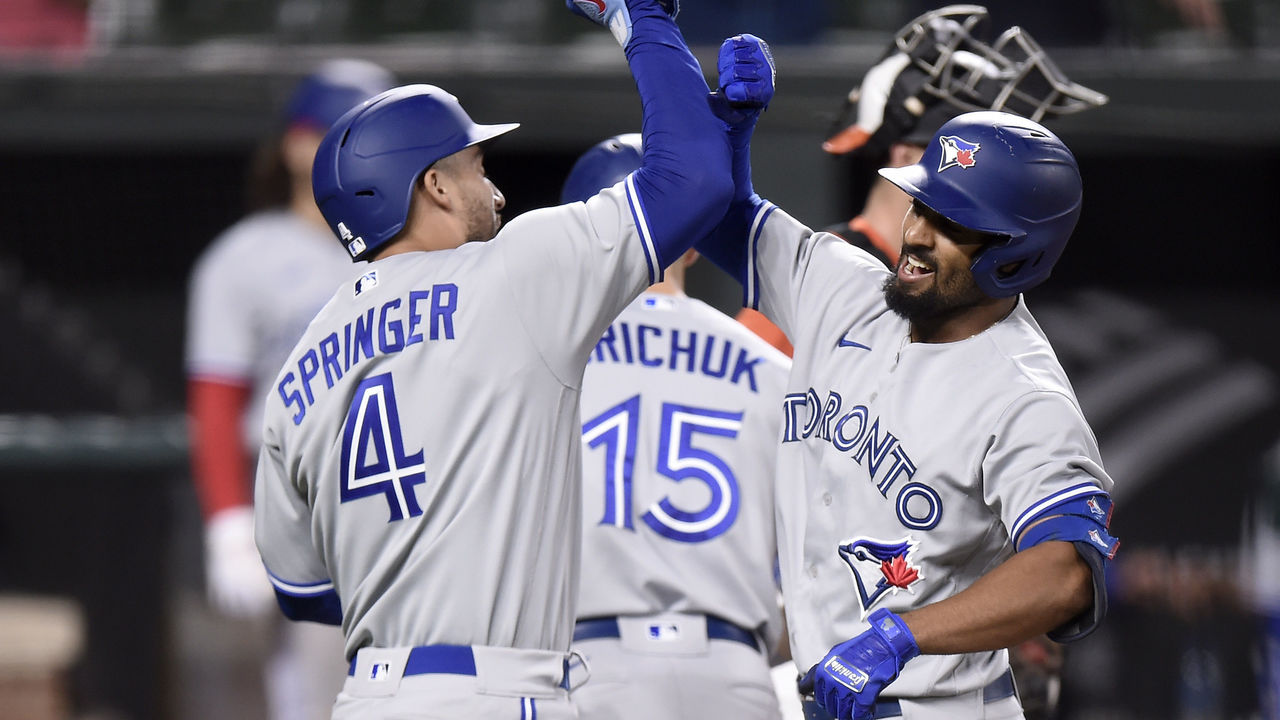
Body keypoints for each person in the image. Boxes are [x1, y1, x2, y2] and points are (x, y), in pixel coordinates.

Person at [251, 1, 767, 717]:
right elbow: (694, 182)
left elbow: (301, 593)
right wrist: (640, 20)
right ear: (432, 184)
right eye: (476, 165)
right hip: (496, 690)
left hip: (368, 696)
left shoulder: (298, 370)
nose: (493, 188)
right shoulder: (511, 275)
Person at [697, 31, 1120, 720]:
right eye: (922, 204)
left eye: (951, 222)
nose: (917, 234)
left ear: (1015, 257)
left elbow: (1067, 572)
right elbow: (717, 215)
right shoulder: (845, 286)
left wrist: (902, 635)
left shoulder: (1023, 395)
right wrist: (725, 139)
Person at [184, 58, 395, 720]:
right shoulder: (245, 255)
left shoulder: (418, 246)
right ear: (299, 142)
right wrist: (227, 525)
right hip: (302, 511)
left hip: (407, 500)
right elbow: (216, 402)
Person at [559, 133, 792, 720]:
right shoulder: (776, 368)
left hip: (590, 666)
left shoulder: (541, 359)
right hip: (733, 669)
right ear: (693, 242)